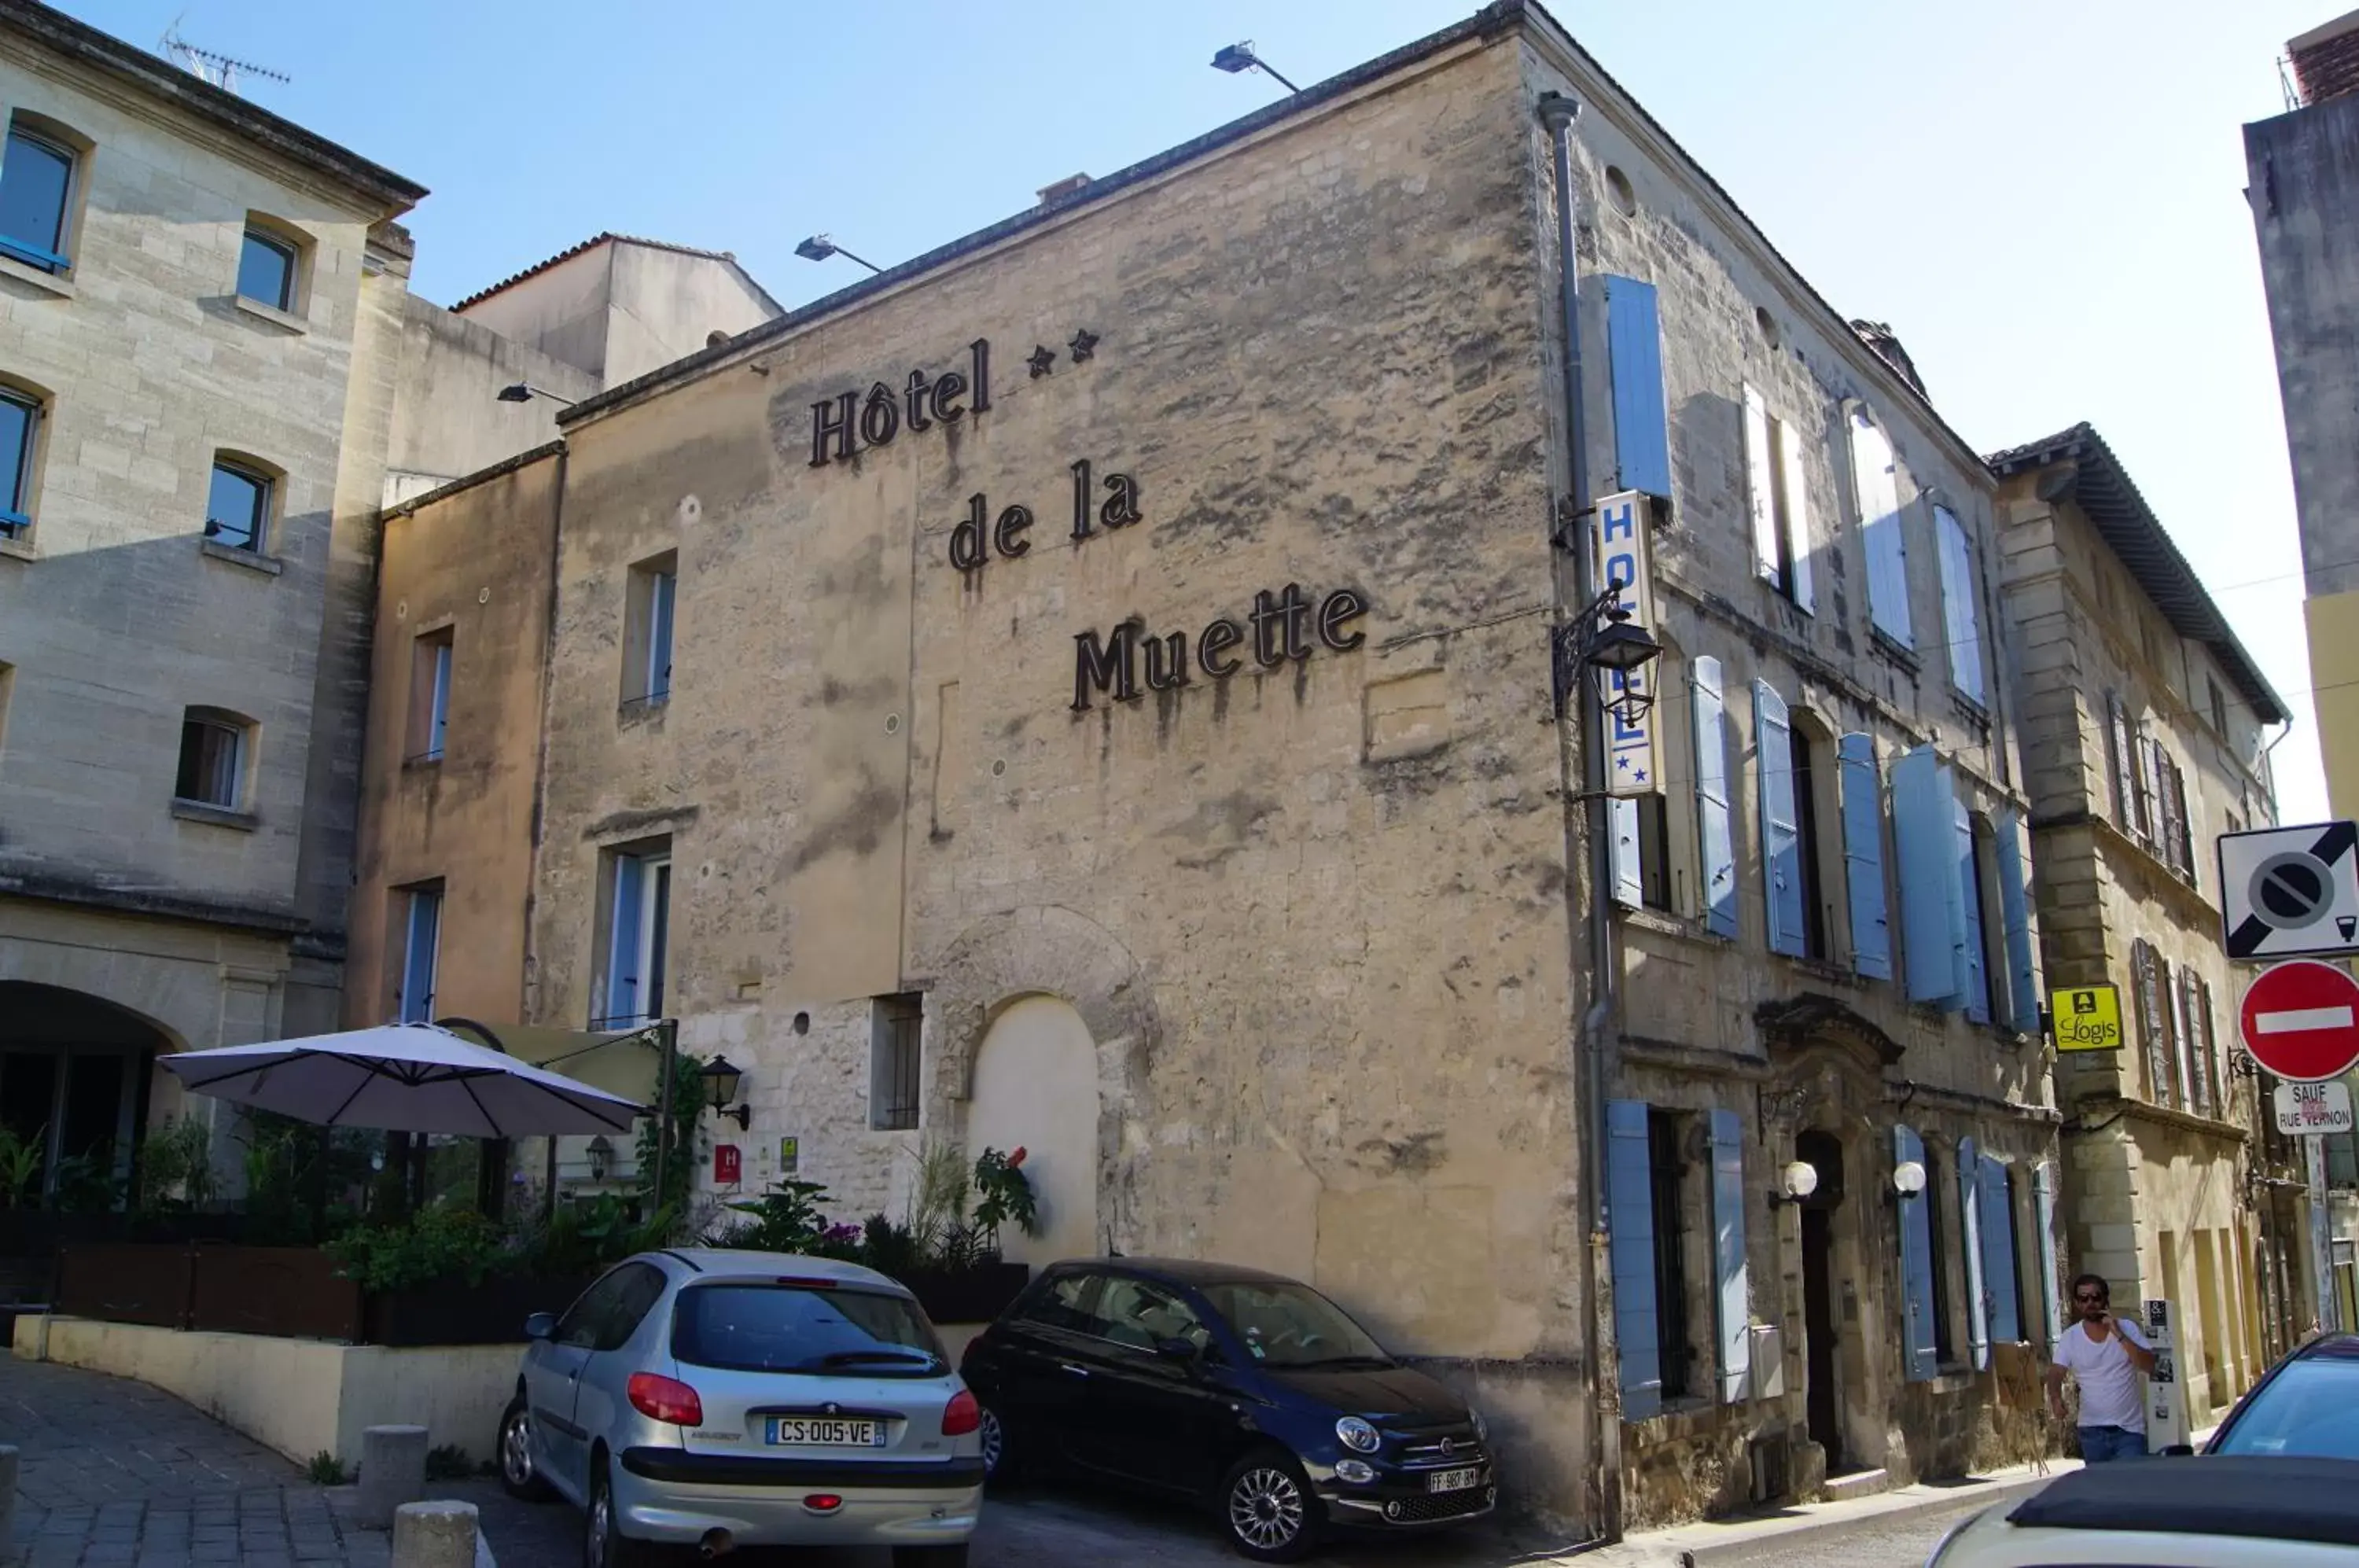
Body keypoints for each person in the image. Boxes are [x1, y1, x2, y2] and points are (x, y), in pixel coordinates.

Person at [2046, 1272, 2158, 1463]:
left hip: (2128, 1431)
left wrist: (2118, 1333)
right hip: (2091, 1431)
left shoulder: (2127, 1328)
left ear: (2106, 1300)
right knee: (2102, 1490)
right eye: (2084, 1298)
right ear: (2077, 1304)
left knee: (2132, 1485)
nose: (2090, 1303)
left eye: (2096, 1297)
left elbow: (2148, 1366)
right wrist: (2056, 1398)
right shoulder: (2071, 1337)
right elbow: (2056, 1372)